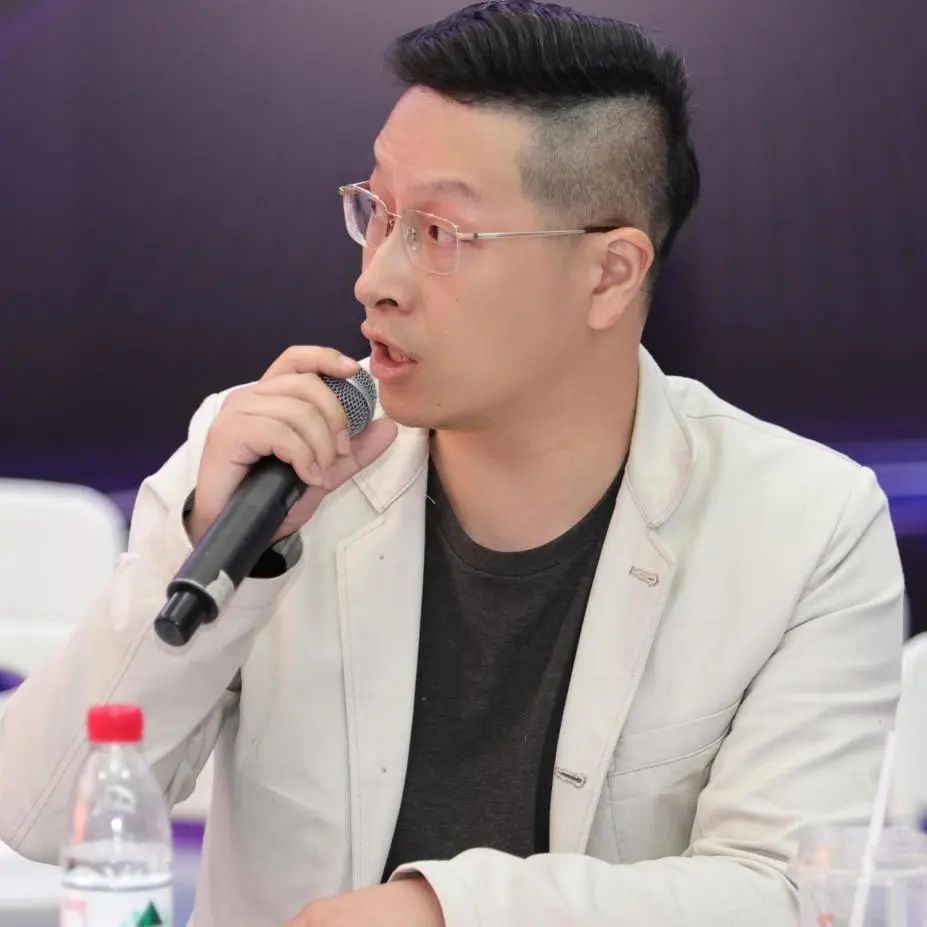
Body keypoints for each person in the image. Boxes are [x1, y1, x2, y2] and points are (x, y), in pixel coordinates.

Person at [0, 2, 905, 926]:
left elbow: (788, 893)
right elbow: (41, 814)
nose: (375, 279)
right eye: (376, 213)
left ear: (609, 273)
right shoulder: (274, 457)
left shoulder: (806, 526)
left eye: (440, 232)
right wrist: (211, 543)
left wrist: (444, 912)